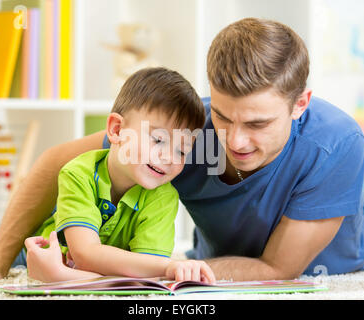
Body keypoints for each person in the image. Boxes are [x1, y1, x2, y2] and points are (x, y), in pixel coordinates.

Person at [0, 18, 364, 282]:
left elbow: (277, 269)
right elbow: (55, 163)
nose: (234, 141)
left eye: (258, 123)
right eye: (222, 116)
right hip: (228, 249)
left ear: (300, 105)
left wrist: (171, 274)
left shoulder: (334, 144)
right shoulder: (188, 134)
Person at [16, 67, 216, 283]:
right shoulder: (78, 173)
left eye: (181, 150)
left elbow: (147, 273)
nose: (169, 157)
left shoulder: (163, 196)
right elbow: (85, 254)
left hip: (69, 269)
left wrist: (66, 276)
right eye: (158, 140)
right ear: (117, 130)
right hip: (35, 256)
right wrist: (169, 267)